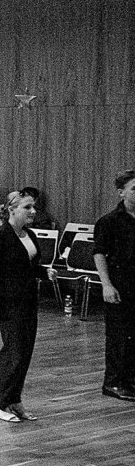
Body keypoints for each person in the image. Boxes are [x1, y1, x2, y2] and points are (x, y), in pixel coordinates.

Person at [0, 191, 54, 422]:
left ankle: (14, 400)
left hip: (28, 301)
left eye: (33, 207)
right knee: (14, 352)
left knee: (24, 353)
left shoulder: (28, 234)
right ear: (12, 210)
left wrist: (44, 272)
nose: (33, 211)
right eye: (27, 207)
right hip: (7, 304)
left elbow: (27, 266)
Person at [94, 169, 135, 403]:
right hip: (120, 284)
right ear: (121, 193)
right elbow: (99, 254)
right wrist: (106, 285)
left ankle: (131, 379)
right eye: (134, 189)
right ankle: (113, 382)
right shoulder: (109, 221)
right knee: (119, 336)